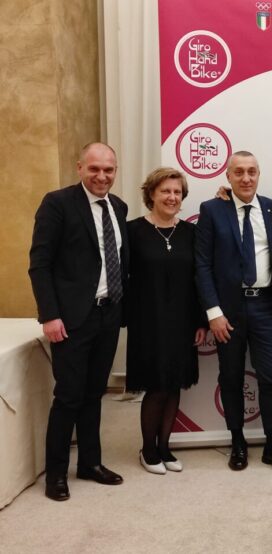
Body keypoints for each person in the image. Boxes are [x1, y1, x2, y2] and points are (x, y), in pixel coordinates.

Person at [29, 142, 128, 501]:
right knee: (69, 396)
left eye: (108, 169)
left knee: (93, 393)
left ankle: (90, 463)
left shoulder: (118, 207)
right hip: (71, 319)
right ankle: (56, 474)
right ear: (80, 167)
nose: (102, 176)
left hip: (108, 313)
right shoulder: (57, 204)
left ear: (115, 171)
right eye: (94, 168)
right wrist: (50, 315)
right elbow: (40, 264)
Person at [195, 151, 272, 474]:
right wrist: (213, 312)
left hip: (266, 306)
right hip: (228, 310)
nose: (246, 178)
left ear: (259, 174)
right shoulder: (212, 210)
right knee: (231, 377)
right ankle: (237, 441)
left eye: (252, 171)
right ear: (228, 176)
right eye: (238, 172)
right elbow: (202, 264)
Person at [125, 168, 207, 474]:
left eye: (177, 192)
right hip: (148, 321)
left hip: (183, 321)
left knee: (174, 385)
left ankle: (164, 448)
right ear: (151, 194)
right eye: (165, 191)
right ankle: (148, 450)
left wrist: (200, 321)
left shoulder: (191, 233)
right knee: (157, 385)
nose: (172, 197)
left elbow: (198, 280)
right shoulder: (132, 231)